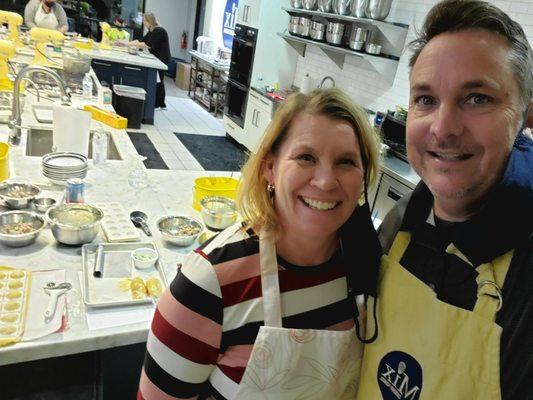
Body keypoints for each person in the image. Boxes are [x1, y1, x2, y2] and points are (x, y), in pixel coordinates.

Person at [138, 89, 383, 399]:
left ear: (363, 177)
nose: (325, 181)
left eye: (346, 162)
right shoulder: (207, 286)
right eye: (306, 157)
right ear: (271, 168)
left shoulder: (368, 266)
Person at [356, 1, 533, 399]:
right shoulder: (402, 222)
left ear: (525, 117)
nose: (444, 128)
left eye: (477, 98)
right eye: (426, 99)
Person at [130, 12, 170, 109]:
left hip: (162, 58)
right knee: (159, 80)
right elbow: (143, 40)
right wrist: (131, 43)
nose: (144, 23)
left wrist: (130, 44)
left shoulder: (159, 30)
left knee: (159, 80)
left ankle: (158, 104)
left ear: (149, 21)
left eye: (144, 21)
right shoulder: (151, 30)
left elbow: (146, 45)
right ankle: (161, 103)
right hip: (157, 57)